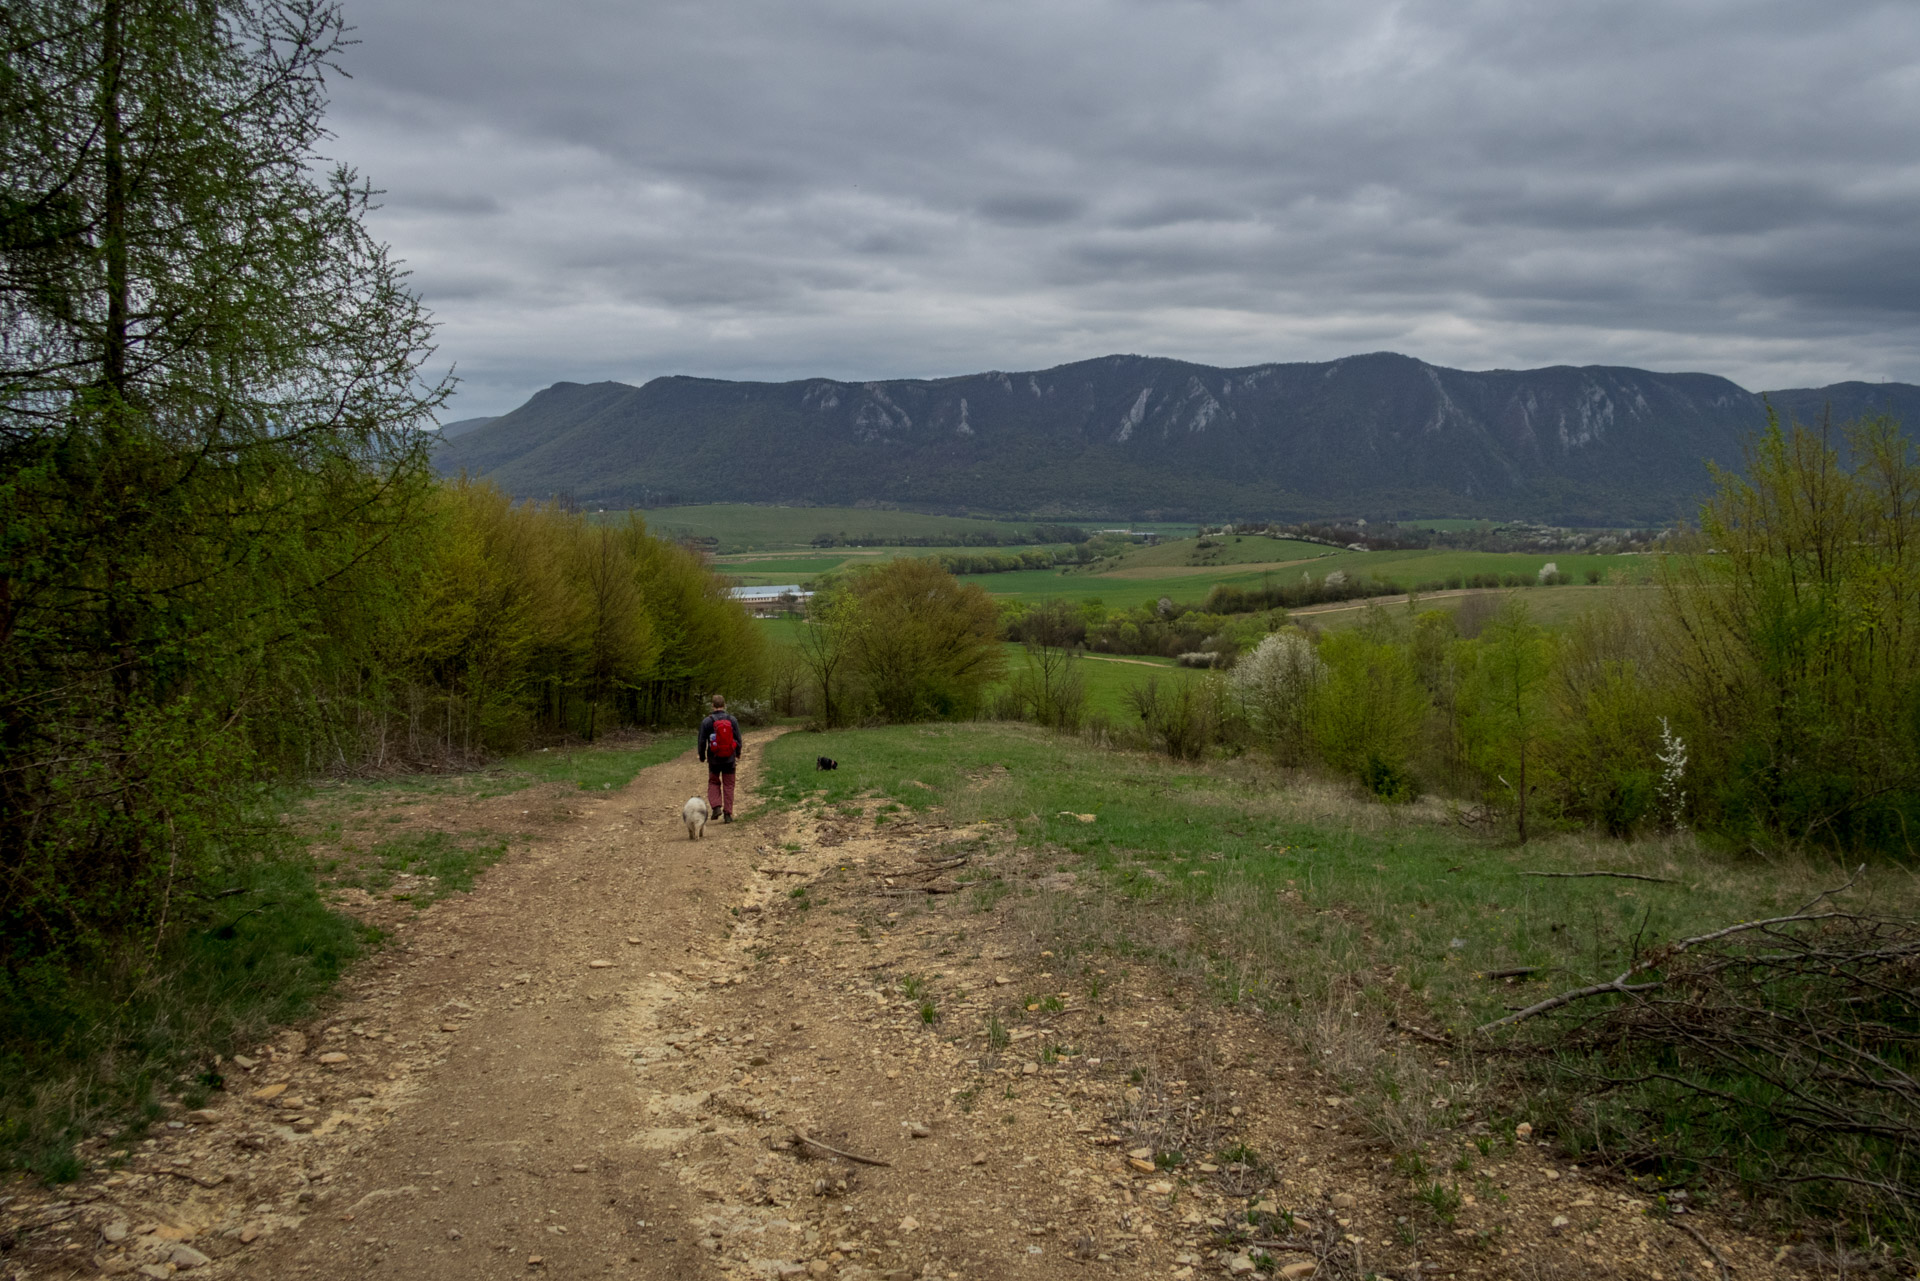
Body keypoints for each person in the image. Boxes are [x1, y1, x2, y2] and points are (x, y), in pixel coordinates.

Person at [696, 694, 744, 822]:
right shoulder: (732, 720)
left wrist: (702, 756)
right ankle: (728, 814)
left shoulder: (707, 721)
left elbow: (701, 741)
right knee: (729, 785)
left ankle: (716, 806)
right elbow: (738, 739)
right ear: (724, 705)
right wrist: (738, 753)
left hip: (714, 759)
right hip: (729, 758)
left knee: (713, 782)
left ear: (712, 705)